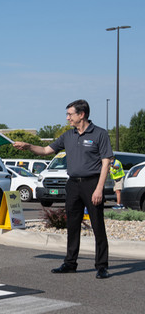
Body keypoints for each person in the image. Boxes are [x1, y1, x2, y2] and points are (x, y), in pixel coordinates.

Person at [13, 99, 113, 279]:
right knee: (72, 225)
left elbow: (106, 163)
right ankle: (70, 263)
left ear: (81, 115)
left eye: (70, 114)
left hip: (93, 183)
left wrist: (99, 189)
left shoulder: (99, 134)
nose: (67, 118)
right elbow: (44, 150)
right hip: (73, 184)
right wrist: (28, 146)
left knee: (98, 225)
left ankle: (102, 266)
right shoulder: (68, 136)